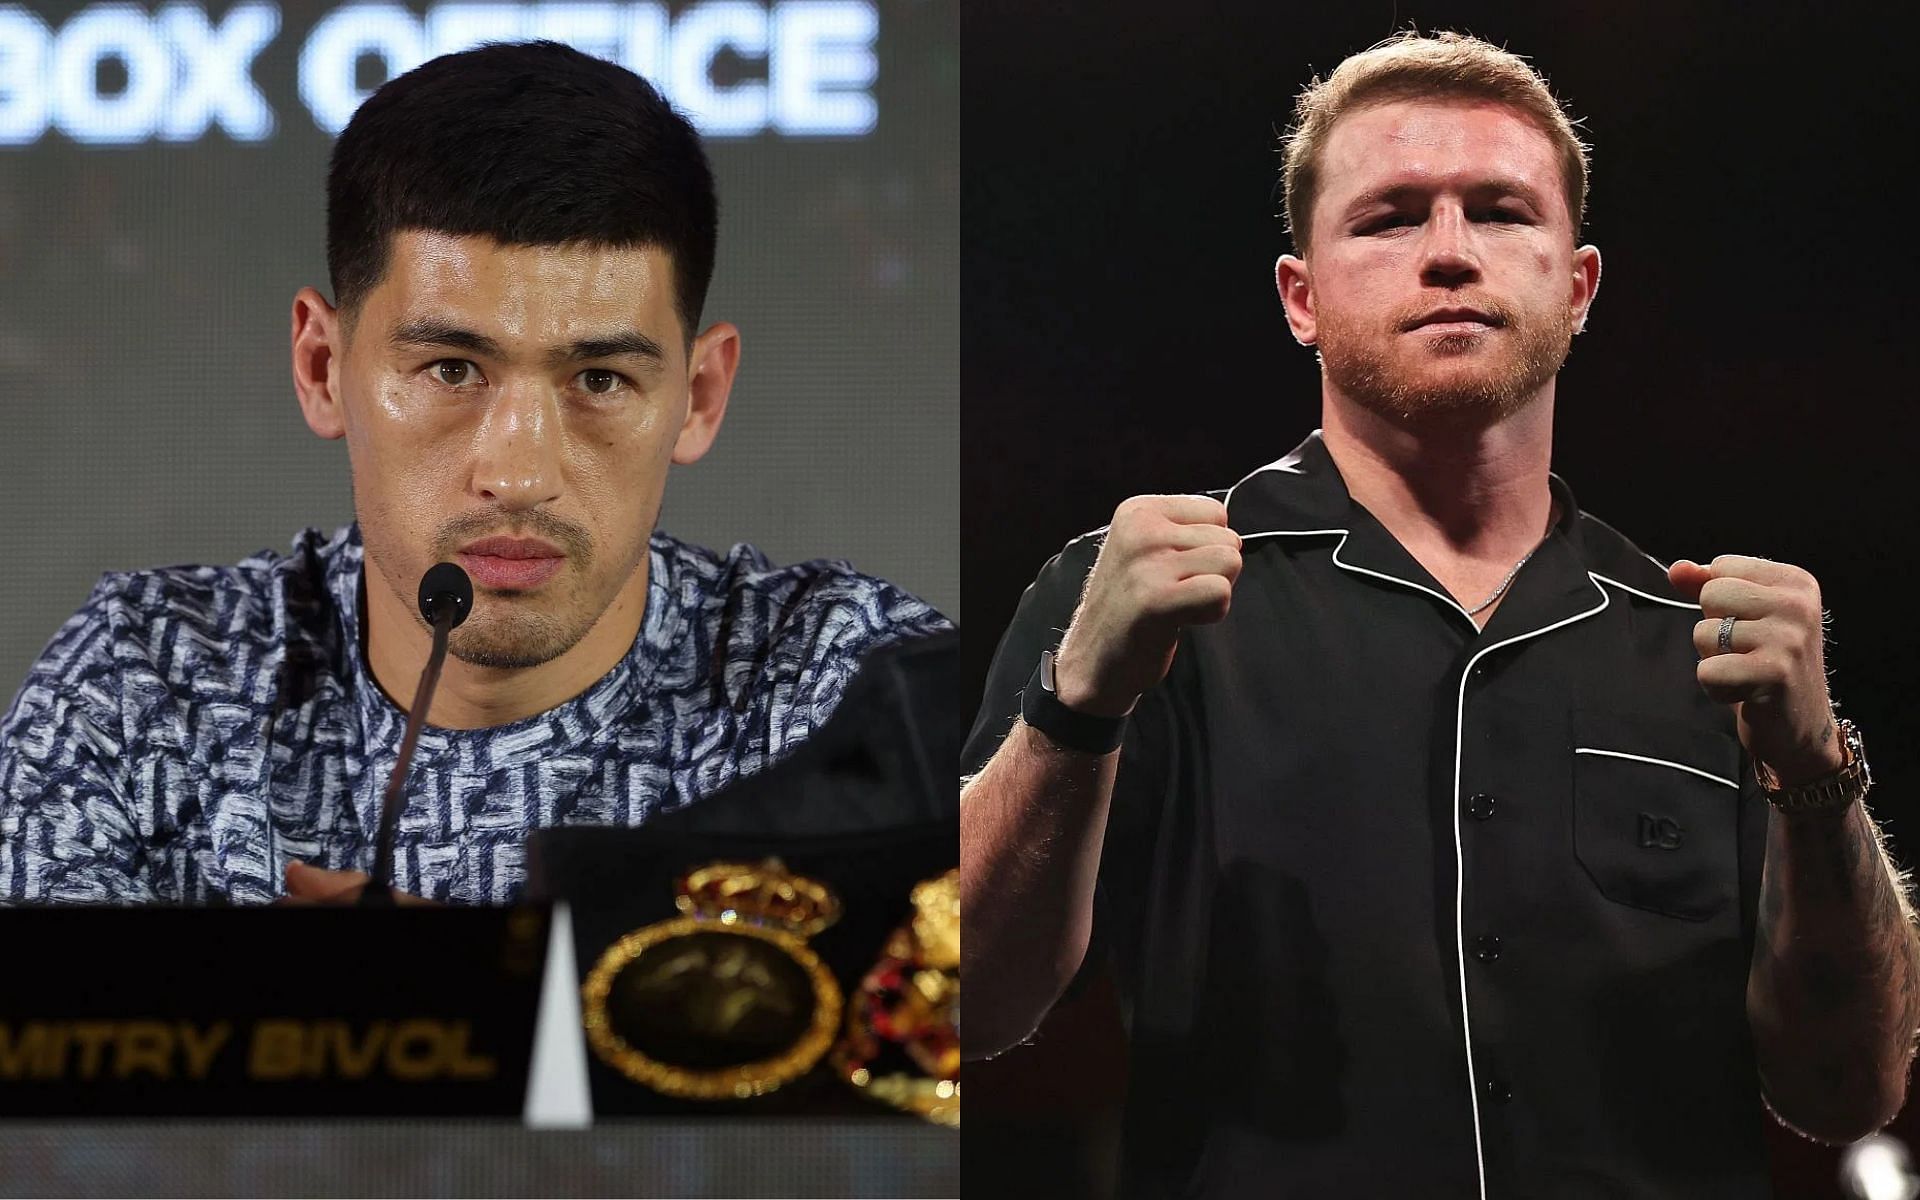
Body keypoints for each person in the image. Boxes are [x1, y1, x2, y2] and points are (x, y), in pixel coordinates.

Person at [961, 31, 1918, 1198]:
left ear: (1576, 287)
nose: (1452, 254)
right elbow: (973, 1009)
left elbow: (1847, 1093)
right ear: (1301, 299)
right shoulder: (1139, 599)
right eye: (1391, 217)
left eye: (1502, 211)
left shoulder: (1698, 644)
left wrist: (1818, 776)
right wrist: (1074, 711)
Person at [0, 41, 948, 907]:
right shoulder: (144, 683)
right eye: (452, 370)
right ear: (323, 367)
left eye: (601, 378)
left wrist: (469, 1000)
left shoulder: (848, 681)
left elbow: (987, 1039)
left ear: (698, 395)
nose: (519, 473)